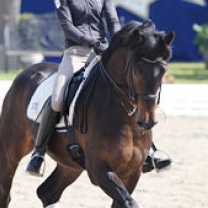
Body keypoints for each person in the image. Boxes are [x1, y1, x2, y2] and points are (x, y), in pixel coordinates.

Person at [26, 0, 171, 176]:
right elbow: (67, 25)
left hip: (103, 52)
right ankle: (38, 153)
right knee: (57, 100)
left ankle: (149, 151)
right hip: (76, 54)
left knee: (128, 93)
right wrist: (90, 41)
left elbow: (112, 20)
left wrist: (118, 43)